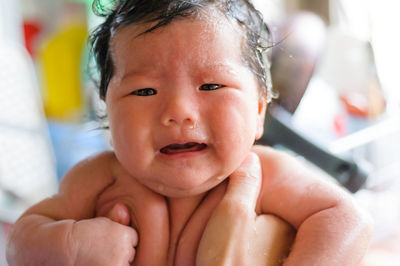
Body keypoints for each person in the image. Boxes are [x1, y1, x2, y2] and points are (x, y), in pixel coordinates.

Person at [6, 0, 373, 265]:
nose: (178, 112)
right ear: (108, 112)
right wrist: (70, 246)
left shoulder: (266, 175)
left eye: (212, 86)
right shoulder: (99, 177)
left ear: (259, 109)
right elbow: (22, 239)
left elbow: (346, 220)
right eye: (144, 91)